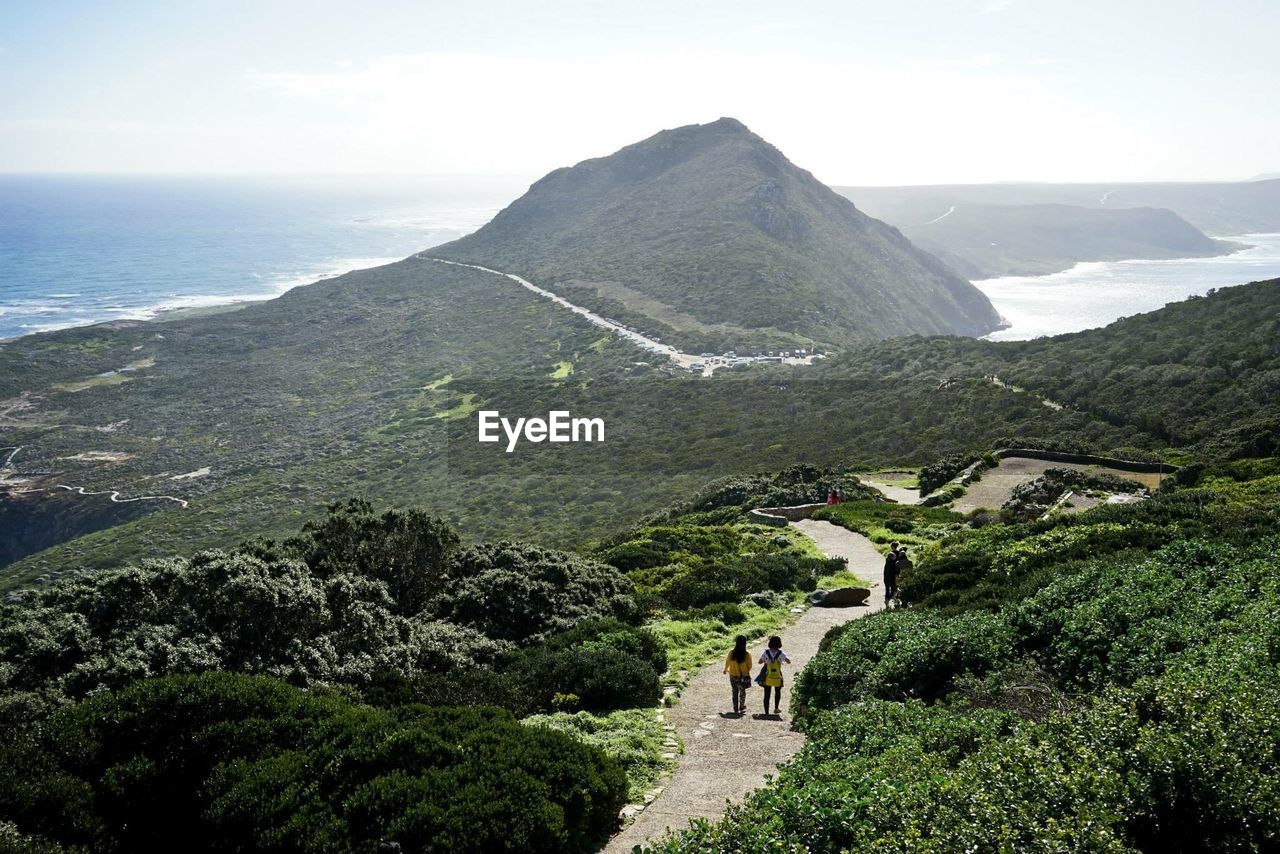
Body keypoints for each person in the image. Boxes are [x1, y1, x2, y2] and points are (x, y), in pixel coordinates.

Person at [757, 636, 791, 715]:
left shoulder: (766, 653)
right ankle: (776, 708)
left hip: (767, 675)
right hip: (777, 674)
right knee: (777, 691)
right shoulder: (780, 653)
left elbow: (759, 662)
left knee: (767, 693)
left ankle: (766, 712)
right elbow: (788, 661)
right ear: (779, 643)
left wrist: (766, 661)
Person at [724, 634, 752, 714]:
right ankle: (741, 706)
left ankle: (735, 707)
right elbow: (749, 666)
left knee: (734, 691)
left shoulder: (731, 653)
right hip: (743, 676)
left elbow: (727, 662)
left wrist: (726, 670)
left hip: (732, 675)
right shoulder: (747, 654)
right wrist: (745, 671)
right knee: (742, 691)